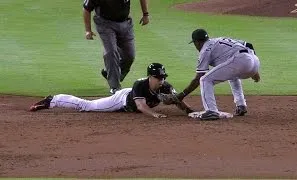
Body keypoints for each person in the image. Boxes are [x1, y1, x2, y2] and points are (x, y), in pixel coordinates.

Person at [30, 63, 194, 118]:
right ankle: (53, 100)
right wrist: (155, 114)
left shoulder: (166, 86)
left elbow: (176, 99)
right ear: (150, 77)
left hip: (131, 102)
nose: (162, 80)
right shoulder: (140, 84)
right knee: (88, 106)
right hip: (121, 101)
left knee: (173, 98)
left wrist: (189, 111)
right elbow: (141, 107)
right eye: (158, 77)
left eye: (163, 77)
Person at [176, 29, 261, 121]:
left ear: (197, 42)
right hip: (254, 60)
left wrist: (182, 95)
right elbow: (249, 45)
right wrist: (255, 71)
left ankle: (211, 111)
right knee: (232, 76)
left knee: (205, 80)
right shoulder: (219, 40)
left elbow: (199, 77)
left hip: (240, 60)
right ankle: (241, 105)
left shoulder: (205, 50)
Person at [83, 0, 150, 94]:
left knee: (130, 55)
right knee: (111, 52)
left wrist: (145, 14)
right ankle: (115, 87)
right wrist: (88, 30)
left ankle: (111, 73)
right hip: (105, 23)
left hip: (125, 23)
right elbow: (86, 9)